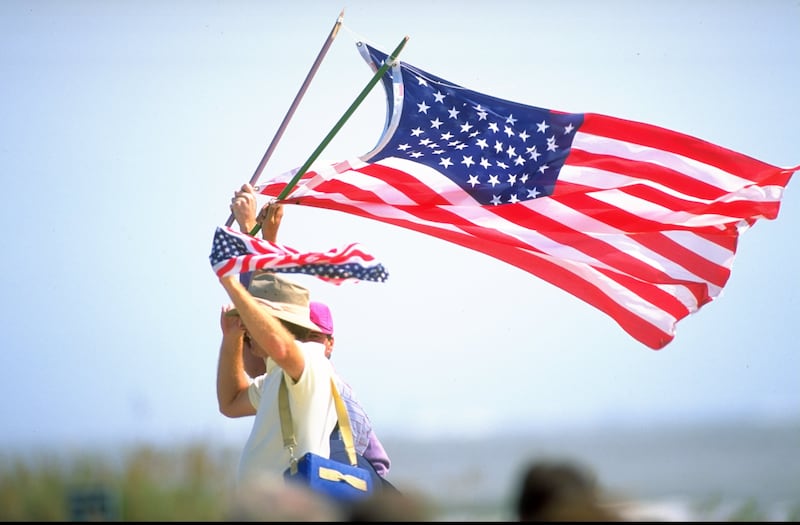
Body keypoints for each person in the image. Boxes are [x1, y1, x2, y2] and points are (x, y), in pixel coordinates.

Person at [229, 183, 393, 480]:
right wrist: (264, 237)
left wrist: (250, 231)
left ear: (329, 344)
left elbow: (376, 469)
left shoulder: (313, 374)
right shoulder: (280, 379)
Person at [216, 270, 339, 485]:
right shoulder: (279, 373)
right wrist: (231, 339)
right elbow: (231, 402)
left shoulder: (310, 358)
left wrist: (228, 281)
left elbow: (281, 346)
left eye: (252, 320)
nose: (248, 329)